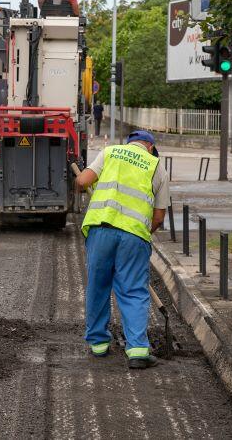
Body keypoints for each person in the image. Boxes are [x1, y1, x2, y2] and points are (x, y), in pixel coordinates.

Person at [74, 130, 169, 369]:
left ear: (130, 144)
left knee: (98, 285)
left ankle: (98, 344)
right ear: (149, 147)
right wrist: (143, 234)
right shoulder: (156, 166)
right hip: (134, 236)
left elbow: (82, 182)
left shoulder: (109, 152)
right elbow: (159, 216)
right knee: (134, 291)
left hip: (101, 230)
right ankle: (137, 350)